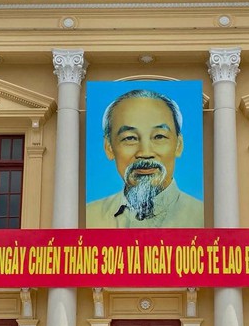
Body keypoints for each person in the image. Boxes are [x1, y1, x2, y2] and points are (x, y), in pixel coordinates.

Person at [86, 88, 204, 228]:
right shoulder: (90, 217)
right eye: (130, 138)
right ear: (109, 147)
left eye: (159, 136)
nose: (145, 152)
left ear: (178, 145)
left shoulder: (201, 217)